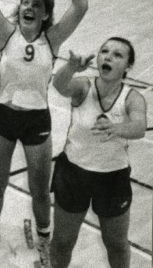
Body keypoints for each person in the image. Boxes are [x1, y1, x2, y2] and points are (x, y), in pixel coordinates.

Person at [0, 0, 88, 268]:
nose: (29, 7)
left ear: (44, 16)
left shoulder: (52, 40)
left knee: (41, 191)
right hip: (4, 118)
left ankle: (44, 243)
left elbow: (81, 6)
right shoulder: (5, 33)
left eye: (36, 5)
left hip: (37, 119)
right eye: (25, 2)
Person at [50, 38, 146, 268]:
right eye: (104, 51)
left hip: (112, 178)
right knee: (63, 241)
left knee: (116, 244)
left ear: (127, 66)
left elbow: (139, 127)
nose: (108, 57)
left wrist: (117, 128)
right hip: (73, 174)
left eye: (117, 55)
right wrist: (71, 67)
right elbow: (60, 85)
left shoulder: (132, 98)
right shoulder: (84, 87)